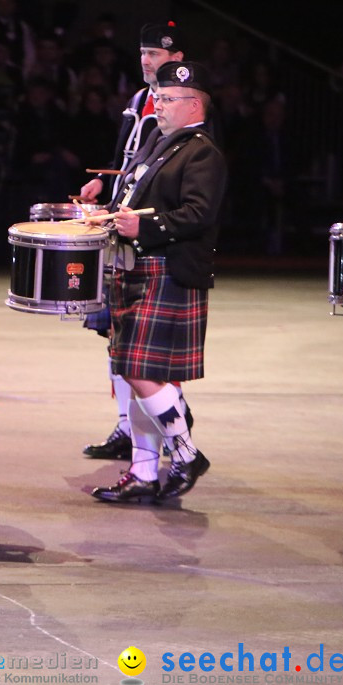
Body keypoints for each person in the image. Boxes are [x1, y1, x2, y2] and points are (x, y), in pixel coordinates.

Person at [90, 61, 226, 504]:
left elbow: (198, 214)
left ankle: (185, 453)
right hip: (136, 268)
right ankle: (144, 472)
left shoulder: (202, 151)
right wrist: (110, 215)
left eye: (167, 100)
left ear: (194, 104)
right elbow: (131, 196)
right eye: (158, 97)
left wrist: (142, 229)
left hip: (168, 269)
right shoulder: (159, 142)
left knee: (138, 368)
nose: (158, 105)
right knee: (131, 373)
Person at [76, 21, 193, 461]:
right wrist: (103, 188)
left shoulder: (179, 107)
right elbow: (128, 160)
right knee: (117, 333)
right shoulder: (138, 100)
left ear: (177, 61)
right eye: (143, 53)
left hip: (150, 236)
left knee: (150, 345)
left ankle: (172, 421)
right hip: (122, 227)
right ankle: (128, 426)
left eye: (156, 55)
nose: (146, 61)